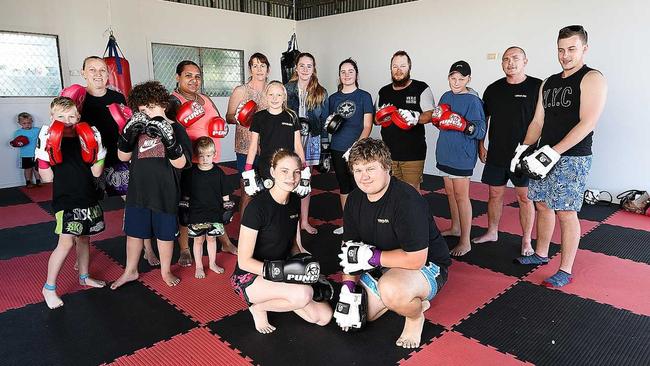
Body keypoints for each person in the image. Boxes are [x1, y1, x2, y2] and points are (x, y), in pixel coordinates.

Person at [512, 25, 607, 287]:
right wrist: (523, 149)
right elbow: (537, 122)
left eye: (572, 49)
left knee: (566, 212)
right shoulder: (549, 83)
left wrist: (554, 152)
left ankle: (565, 269)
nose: (565, 55)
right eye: (561, 50)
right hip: (544, 154)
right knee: (542, 204)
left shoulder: (592, 78)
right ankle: (541, 254)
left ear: (584, 49)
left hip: (572, 157)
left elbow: (587, 122)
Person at [335, 138, 450, 349]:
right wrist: (348, 288)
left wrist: (372, 257)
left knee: (391, 291)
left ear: (387, 167)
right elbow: (349, 250)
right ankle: (405, 300)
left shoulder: (406, 200)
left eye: (370, 168)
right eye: (358, 170)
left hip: (427, 266)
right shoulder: (353, 200)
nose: (364, 177)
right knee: (356, 317)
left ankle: (415, 317)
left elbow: (417, 259)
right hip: (386, 264)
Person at [231, 149, 333, 334]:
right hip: (250, 277)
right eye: (284, 171)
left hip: (281, 270)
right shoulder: (257, 207)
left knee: (323, 317)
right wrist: (284, 272)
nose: (291, 177)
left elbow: (294, 244)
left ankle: (286, 295)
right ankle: (258, 308)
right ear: (273, 171)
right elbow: (243, 261)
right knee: (304, 294)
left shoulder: (294, 201)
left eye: (296, 172)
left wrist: (308, 267)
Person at [111, 81, 192, 289]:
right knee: (134, 233)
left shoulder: (176, 129)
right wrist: (127, 136)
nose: (148, 112)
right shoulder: (137, 130)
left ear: (163, 105)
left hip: (165, 192)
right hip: (138, 191)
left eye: (152, 106)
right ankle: (130, 270)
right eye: (143, 109)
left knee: (165, 235)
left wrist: (170, 142)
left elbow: (181, 163)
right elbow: (122, 156)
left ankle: (165, 270)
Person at [79, 56, 160, 266]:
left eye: (102, 70)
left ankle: (148, 249)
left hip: (118, 159)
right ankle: (81, 258)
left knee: (137, 205)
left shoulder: (117, 97)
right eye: (92, 69)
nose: (98, 74)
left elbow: (129, 126)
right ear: (83, 73)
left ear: (108, 74)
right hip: (88, 161)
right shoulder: (77, 99)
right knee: (83, 210)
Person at [37, 96, 107, 309]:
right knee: (66, 242)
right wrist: (43, 152)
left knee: (84, 239)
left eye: (71, 116)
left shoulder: (85, 139)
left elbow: (96, 172)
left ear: (78, 117)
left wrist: (99, 150)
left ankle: (84, 276)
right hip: (65, 201)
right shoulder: (50, 142)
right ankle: (49, 288)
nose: (67, 121)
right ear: (52, 118)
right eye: (60, 117)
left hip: (87, 196)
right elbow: (47, 178)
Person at [166, 60, 238, 266]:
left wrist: (220, 127)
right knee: (187, 205)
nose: (193, 80)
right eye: (188, 75)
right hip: (188, 163)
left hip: (210, 161)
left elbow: (219, 121)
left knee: (215, 203)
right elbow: (166, 130)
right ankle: (185, 249)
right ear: (178, 77)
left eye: (197, 76)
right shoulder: (173, 100)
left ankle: (223, 241)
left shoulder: (205, 99)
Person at [473, 47, 542, 256]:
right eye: (505, 59)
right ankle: (492, 231)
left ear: (525, 61)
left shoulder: (537, 87)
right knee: (494, 194)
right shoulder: (493, 89)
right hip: (497, 152)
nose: (510, 63)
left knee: (525, 198)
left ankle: (527, 240)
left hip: (525, 155)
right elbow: (484, 120)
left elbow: (542, 121)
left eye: (515, 58)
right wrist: (481, 144)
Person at [433, 61, 487, 256]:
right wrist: (439, 119)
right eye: (453, 78)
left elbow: (480, 129)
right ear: (448, 78)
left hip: (462, 155)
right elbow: (440, 123)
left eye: (461, 79)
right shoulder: (445, 96)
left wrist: (465, 126)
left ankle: (465, 240)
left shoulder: (473, 101)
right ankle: (456, 227)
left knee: (461, 197)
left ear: (468, 80)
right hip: (445, 151)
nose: (456, 83)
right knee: (450, 193)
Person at [327, 58, 374, 235]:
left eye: (350, 71)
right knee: (344, 186)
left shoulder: (364, 96)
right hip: (337, 147)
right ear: (339, 76)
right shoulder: (333, 98)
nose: (346, 75)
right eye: (343, 72)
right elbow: (329, 124)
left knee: (361, 187)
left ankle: (365, 225)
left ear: (356, 74)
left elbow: (368, 125)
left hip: (358, 150)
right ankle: (348, 224)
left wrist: (356, 146)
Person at [376, 50, 435, 190]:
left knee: (411, 193)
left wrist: (416, 117)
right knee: (390, 191)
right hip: (388, 153)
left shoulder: (421, 88)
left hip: (413, 153)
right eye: (395, 66)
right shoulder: (383, 92)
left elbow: (431, 114)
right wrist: (382, 118)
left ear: (409, 67)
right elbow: (376, 120)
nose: (398, 70)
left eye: (402, 66)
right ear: (390, 68)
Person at [285, 52, 329, 234]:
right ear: (296, 68)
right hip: (290, 139)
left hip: (312, 140)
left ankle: (303, 221)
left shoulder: (321, 92)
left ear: (314, 69)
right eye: (301, 65)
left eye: (309, 66)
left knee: (305, 181)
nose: (305, 69)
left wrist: (325, 149)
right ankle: (287, 221)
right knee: (287, 180)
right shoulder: (286, 89)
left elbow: (325, 121)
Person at [181, 137, 234, 279]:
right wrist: (183, 209)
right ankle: (199, 266)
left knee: (212, 239)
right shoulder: (191, 173)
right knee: (198, 241)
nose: (205, 159)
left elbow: (225, 195)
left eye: (208, 156)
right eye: (202, 156)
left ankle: (212, 263)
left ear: (214, 155)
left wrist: (227, 210)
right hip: (196, 213)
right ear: (196, 156)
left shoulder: (219, 173)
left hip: (214, 213)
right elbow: (185, 196)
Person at [226, 53, 270, 218]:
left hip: (268, 147)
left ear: (268, 69)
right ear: (250, 69)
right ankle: (245, 230)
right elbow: (228, 116)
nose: (259, 69)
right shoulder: (241, 90)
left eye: (262, 65)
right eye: (255, 66)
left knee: (268, 188)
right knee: (247, 190)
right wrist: (243, 117)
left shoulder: (272, 91)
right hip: (245, 147)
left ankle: (264, 228)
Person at [243, 81, 306, 189]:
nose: (274, 98)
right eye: (271, 95)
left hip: (288, 164)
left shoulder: (292, 116)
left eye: (279, 95)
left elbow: (298, 145)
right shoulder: (259, 117)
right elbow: (253, 146)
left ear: (284, 97)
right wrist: (248, 168)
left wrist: (304, 167)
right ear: (266, 96)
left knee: (288, 197)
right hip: (267, 165)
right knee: (269, 197)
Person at [10, 112, 41, 187]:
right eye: (24, 123)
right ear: (19, 123)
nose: (27, 125)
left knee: (36, 169)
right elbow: (16, 142)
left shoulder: (37, 130)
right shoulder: (18, 132)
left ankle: (38, 181)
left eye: (29, 123)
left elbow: (44, 136)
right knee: (28, 169)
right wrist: (14, 143)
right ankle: (28, 182)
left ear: (32, 122)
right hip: (25, 154)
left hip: (36, 154)